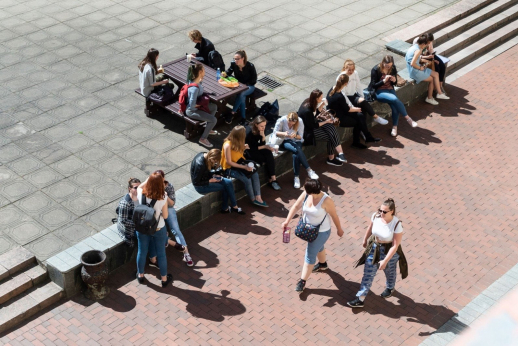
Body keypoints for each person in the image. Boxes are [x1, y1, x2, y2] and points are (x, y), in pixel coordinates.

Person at [281, 179, 344, 293]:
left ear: (313, 191)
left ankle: (302, 281)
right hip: (309, 230)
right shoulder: (306, 193)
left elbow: (334, 216)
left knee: (310, 255)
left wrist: (339, 229)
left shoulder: (326, 200)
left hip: (321, 232)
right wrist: (287, 221)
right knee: (318, 247)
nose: (304, 191)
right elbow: (296, 206)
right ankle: (323, 264)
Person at [347, 198, 408, 308]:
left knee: (389, 271)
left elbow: (395, 245)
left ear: (392, 211)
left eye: (384, 211)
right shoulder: (376, 216)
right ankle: (360, 299)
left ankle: (390, 287)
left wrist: (385, 260)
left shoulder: (396, 224)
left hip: (389, 250)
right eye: (380, 210)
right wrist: (365, 240)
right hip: (375, 247)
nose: (381, 213)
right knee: (368, 274)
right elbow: (370, 227)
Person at [145, 170, 193, 267]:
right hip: (157, 210)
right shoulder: (151, 186)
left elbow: (172, 204)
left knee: (175, 229)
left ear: (163, 178)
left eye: (160, 179)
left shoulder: (169, 186)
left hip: (168, 208)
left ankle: (186, 253)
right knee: (157, 228)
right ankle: (165, 242)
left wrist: (165, 196)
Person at [135, 172, 173, 288]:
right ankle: (164, 279)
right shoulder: (163, 197)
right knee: (161, 254)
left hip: (142, 228)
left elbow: (141, 186)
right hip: (158, 228)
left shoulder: (141, 193)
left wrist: (149, 179)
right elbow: (166, 216)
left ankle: (140, 275)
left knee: (142, 251)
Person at [368, 55, 418, 137]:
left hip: (390, 89)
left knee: (395, 108)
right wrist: (383, 81)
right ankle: (408, 119)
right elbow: (373, 85)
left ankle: (395, 127)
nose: (388, 67)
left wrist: (394, 80)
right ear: (383, 62)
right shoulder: (376, 69)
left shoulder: (393, 68)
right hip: (379, 92)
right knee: (394, 98)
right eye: (386, 66)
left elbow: (394, 83)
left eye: (390, 66)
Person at [327, 75, 381, 149]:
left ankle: (367, 137)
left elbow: (343, 106)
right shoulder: (339, 96)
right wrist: (357, 109)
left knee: (361, 116)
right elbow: (347, 109)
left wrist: (354, 108)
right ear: (346, 83)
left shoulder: (332, 89)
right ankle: (360, 140)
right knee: (358, 121)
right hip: (338, 118)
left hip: (339, 112)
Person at [221, 126, 268, 207]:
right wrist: (245, 167)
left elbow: (238, 155)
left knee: (255, 174)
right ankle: (253, 199)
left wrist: (243, 148)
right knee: (247, 179)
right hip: (229, 168)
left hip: (239, 163)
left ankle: (258, 197)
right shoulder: (227, 145)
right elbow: (229, 162)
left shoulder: (239, 141)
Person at [298, 89, 347, 166]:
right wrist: (326, 121)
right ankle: (332, 158)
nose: (322, 98)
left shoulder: (309, 101)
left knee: (331, 127)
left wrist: (322, 104)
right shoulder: (307, 110)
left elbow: (315, 113)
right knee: (331, 136)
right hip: (307, 132)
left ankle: (340, 154)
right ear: (317, 99)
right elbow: (313, 125)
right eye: (321, 97)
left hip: (311, 124)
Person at [271, 112, 319, 189]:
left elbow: (301, 137)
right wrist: (284, 133)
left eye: (293, 124)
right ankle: (309, 170)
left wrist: (295, 135)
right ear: (287, 118)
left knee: (295, 154)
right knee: (297, 150)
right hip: (285, 140)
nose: (291, 125)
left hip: (297, 141)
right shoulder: (281, 120)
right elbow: (275, 132)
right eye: (289, 123)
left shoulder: (300, 121)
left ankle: (296, 177)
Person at [191, 149, 245, 215]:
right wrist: (209, 181)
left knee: (229, 182)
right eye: (215, 161)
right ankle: (228, 208)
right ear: (212, 158)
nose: (215, 163)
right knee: (225, 187)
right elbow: (195, 182)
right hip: (201, 186)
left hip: (207, 178)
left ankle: (233, 206)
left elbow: (205, 172)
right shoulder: (200, 165)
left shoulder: (205, 155)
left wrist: (213, 175)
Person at [337, 59, 389, 125]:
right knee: (362, 107)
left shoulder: (355, 73)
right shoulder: (341, 77)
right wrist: (351, 105)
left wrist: (362, 96)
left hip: (353, 94)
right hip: (346, 97)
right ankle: (375, 117)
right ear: (345, 68)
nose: (351, 71)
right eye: (349, 70)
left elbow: (358, 85)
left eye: (352, 69)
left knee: (363, 107)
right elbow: (343, 94)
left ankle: (363, 128)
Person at [406, 34, 449, 106]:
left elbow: (416, 59)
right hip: (415, 72)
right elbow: (412, 63)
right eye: (426, 45)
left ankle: (439, 93)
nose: (426, 47)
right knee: (432, 79)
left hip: (414, 69)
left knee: (436, 74)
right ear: (423, 44)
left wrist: (428, 60)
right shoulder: (418, 50)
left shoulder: (413, 47)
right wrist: (420, 68)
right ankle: (430, 97)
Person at [185, 63, 218, 148]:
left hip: (198, 107)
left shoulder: (196, 81)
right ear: (200, 72)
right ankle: (203, 138)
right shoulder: (194, 88)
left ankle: (208, 128)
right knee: (213, 120)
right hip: (192, 111)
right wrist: (202, 105)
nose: (205, 72)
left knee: (214, 107)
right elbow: (192, 105)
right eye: (204, 70)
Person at [221, 50, 257, 126]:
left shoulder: (250, 66)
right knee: (242, 96)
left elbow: (254, 80)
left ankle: (232, 113)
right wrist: (225, 74)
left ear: (243, 58)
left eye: (237, 59)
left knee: (242, 93)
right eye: (234, 59)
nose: (235, 60)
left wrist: (244, 85)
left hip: (249, 86)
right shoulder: (233, 64)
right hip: (239, 85)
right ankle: (243, 118)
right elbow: (229, 71)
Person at [245, 116, 281, 191]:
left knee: (268, 153)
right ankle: (271, 180)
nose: (263, 128)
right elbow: (249, 148)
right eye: (261, 126)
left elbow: (261, 143)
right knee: (266, 158)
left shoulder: (261, 130)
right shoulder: (249, 131)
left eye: (264, 125)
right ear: (256, 124)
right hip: (248, 151)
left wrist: (263, 137)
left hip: (256, 147)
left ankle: (273, 179)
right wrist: (264, 146)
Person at [116, 178, 141, 248]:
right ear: (130, 189)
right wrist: (137, 223)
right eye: (136, 188)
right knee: (146, 236)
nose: (138, 189)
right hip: (130, 228)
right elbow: (123, 221)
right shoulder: (125, 203)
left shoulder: (141, 196)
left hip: (141, 223)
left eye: (140, 187)